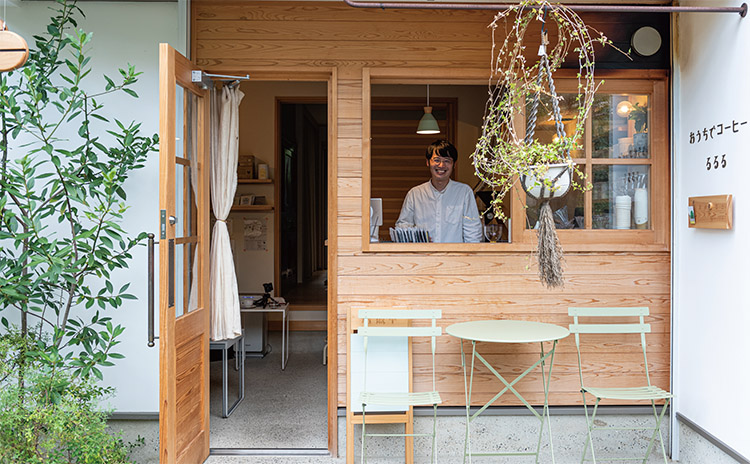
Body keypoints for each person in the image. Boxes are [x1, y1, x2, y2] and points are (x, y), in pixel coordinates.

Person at [395, 139, 482, 243]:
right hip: (423, 257)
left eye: (447, 161)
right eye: (436, 160)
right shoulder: (415, 194)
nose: (441, 165)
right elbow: (403, 227)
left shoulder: (464, 192)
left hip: (455, 257)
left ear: (454, 164)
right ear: (428, 162)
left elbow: (473, 233)